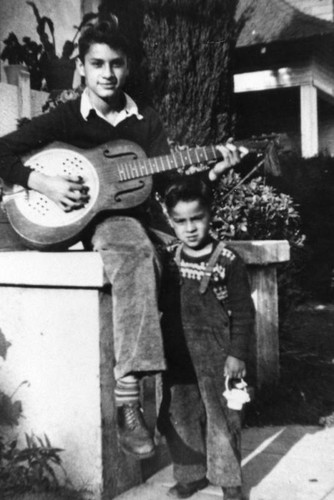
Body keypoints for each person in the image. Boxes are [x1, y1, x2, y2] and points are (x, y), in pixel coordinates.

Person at [0, 20, 240, 460]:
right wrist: (41, 181)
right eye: (97, 64)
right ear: (82, 69)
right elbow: (3, 151)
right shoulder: (68, 117)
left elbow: (171, 188)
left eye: (116, 64)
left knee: (196, 270)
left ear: (127, 68)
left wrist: (211, 171)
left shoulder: (145, 122)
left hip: (143, 218)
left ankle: (188, 411)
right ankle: (128, 400)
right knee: (132, 252)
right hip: (102, 222)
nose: (107, 73)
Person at [158, 177, 254, 499]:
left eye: (196, 218)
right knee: (180, 413)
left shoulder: (228, 260)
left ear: (210, 214)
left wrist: (237, 353)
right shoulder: (169, 259)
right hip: (179, 351)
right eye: (180, 221)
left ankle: (229, 481)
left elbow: (243, 311)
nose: (189, 228)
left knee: (224, 415)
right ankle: (190, 474)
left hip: (219, 352)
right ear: (170, 220)